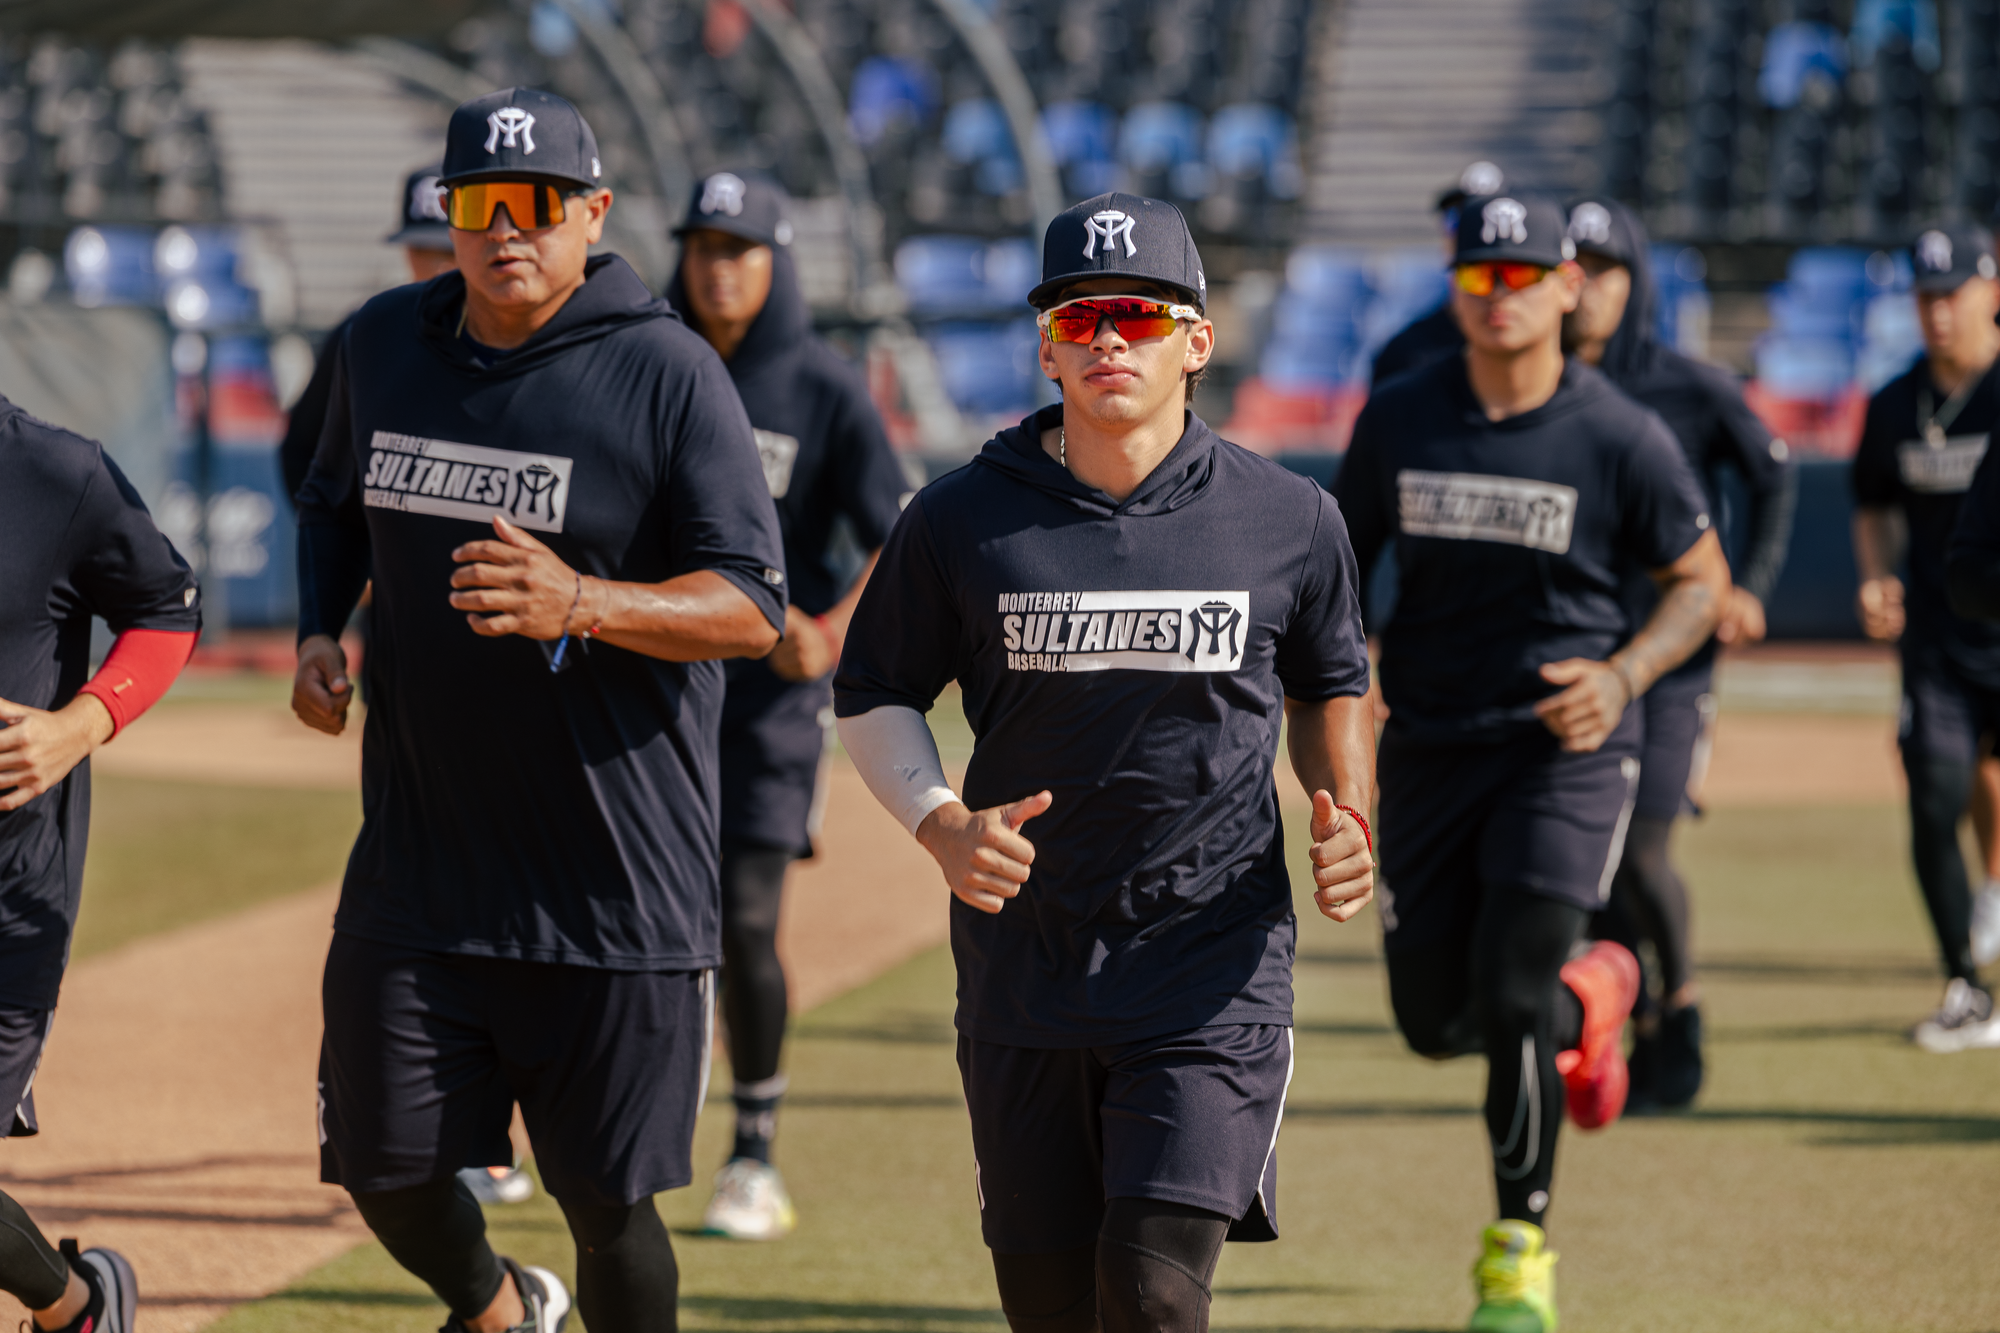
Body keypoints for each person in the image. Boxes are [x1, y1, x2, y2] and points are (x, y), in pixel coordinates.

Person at [834, 191, 1377, 1333]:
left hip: (1208, 973)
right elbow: (873, 687)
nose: (1106, 340)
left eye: (1135, 314)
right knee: (1054, 1313)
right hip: (1022, 970)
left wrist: (1346, 810)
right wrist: (937, 820)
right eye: (1078, 320)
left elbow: (1328, 681)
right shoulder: (959, 520)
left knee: (1148, 1299)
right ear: (1044, 345)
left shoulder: (1289, 518)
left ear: (1195, 340)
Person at [292, 87, 787, 1333]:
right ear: (448, 218)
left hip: (613, 886)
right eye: (478, 206)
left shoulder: (666, 370)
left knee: (605, 1200)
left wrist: (582, 600)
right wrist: (317, 628)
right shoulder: (381, 343)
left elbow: (750, 608)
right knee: (380, 1160)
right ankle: (504, 1307)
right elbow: (330, 503)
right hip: (420, 867)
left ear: (594, 213)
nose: (507, 229)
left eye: (537, 205)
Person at [1333, 193, 1729, 1333]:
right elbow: (1341, 569)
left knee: (1506, 992)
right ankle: (1596, 990)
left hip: (1566, 750)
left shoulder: (1619, 433)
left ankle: (1516, 1255)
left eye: (1520, 276)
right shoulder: (1401, 417)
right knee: (1430, 1024)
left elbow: (1697, 581)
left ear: (1565, 287)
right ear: (1452, 286)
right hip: (1429, 747)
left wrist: (1621, 675)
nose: (1497, 296)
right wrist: (1348, 682)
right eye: (1476, 276)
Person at [663, 171, 909, 1240]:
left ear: (777, 260)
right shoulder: (646, 363)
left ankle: (752, 1153)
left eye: (740, 248)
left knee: (745, 922)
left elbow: (904, 534)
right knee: (640, 925)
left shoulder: (819, 385)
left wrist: (836, 627)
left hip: (764, 705)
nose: (718, 267)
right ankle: (615, 1133)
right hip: (645, 691)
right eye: (703, 246)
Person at [1560, 196, 1798, 1110]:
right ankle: (1628, 1015)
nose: (1588, 290)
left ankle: (1682, 1008)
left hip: (1674, 657)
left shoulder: (1685, 384)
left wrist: (1751, 584)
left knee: (1644, 853)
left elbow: (1773, 469)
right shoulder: (1531, 386)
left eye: (1608, 269)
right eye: (1574, 270)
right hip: (1579, 655)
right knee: (1589, 859)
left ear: (1636, 281)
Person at [0, 396, 203, 1333]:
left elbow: (167, 608)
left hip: (8, 900)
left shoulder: (56, 472)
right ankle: (79, 1307)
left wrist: (77, 727)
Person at [1852, 221, 2000, 1053]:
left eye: (1954, 293)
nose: (1939, 312)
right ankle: (1965, 988)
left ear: (1992, 291)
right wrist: (1878, 575)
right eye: (1925, 296)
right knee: (1934, 800)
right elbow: (1872, 504)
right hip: (1939, 644)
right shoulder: (1893, 402)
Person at [1368, 160, 1502, 387]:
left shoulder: (1554, 350)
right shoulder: (1405, 353)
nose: (1469, 234)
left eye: (1487, 221)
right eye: (1456, 218)